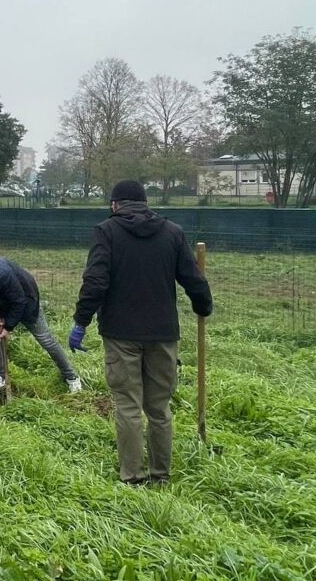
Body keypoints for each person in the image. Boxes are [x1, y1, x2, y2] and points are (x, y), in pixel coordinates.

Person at [69, 179, 212, 486]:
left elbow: (96, 282)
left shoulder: (106, 232)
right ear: (146, 203)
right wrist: (204, 305)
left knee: (128, 406)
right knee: (159, 408)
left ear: (114, 204)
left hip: (121, 334)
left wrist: (82, 321)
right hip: (163, 333)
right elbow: (192, 277)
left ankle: (133, 477)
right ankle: (161, 476)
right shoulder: (172, 232)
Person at [0, 255, 82, 395]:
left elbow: (19, 301)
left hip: (26, 302)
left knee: (46, 340)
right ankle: (0, 377)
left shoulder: (1, 275)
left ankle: (72, 377)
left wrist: (8, 327)